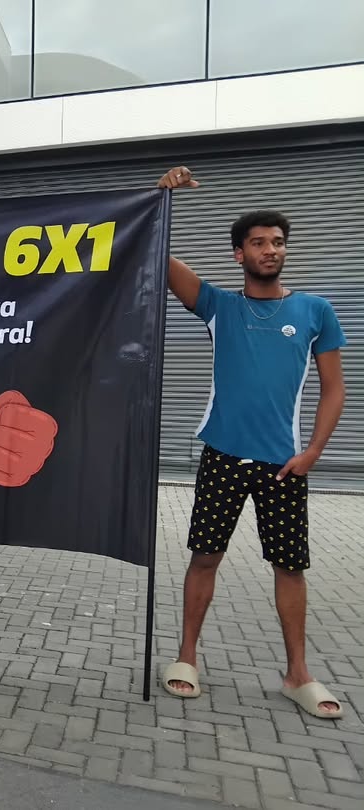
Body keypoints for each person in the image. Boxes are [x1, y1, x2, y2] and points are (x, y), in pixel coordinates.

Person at [157, 166, 346, 720]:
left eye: (278, 242)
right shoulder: (219, 305)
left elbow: (335, 388)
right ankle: (187, 657)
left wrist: (313, 452)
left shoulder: (314, 311)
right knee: (204, 558)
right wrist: (160, 197)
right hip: (222, 455)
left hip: (285, 464)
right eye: (259, 243)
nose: (271, 249)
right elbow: (156, 256)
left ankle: (297, 675)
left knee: (290, 568)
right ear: (239, 253)